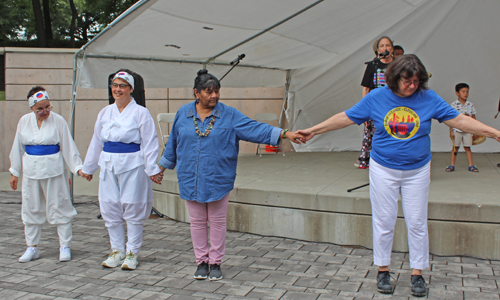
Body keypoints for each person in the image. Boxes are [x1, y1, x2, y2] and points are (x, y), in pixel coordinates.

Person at [296, 55, 500, 297]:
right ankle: (383, 269)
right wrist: (312, 130)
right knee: (384, 220)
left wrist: (495, 133)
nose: (412, 86)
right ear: (394, 78)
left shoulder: (428, 98)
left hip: (418, 170)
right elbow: (345, 117)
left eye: (416, 81)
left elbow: (459, 120)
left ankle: (417, 274)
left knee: (417, 222)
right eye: (407, 81)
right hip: (384, 169)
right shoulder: (377, 97)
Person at [158, 69, 303, 281]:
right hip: (191, 176)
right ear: (196, 93)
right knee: (197, 222)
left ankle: (215, 263)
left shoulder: (229, 114)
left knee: (217, 222)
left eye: (217, 91)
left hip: (218, 177)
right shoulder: (183, 113)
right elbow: (173, 143)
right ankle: (201, 262)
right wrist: (161, 168)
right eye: (209, 92)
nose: (214, 96)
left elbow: (254, 128)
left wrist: (284, 133)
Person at [79, 69, 163, 270]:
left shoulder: (141, 112)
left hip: (133, 163)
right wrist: (88, 167)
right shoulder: (105, 112)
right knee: (109, 206)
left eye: (122, 86)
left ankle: (132, 252)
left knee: (132, 205)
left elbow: (150, 142)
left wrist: (152, 169)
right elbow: (97, 141)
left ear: (131, 89)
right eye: (115, 85)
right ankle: (117, 250)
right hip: (108, 163)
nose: (118, 89)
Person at [9, 87, 83, 263]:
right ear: (32, 108)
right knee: (30, 207)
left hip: (54, 171)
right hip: (31, 171)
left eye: (48, 107)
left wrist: (78, 167)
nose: (45, 112)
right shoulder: (24, 121)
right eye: (40, 109)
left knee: (60, 206)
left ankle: (64, 245)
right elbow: (17, 148)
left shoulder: (58, 121)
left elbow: (67, 145)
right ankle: (31, 247)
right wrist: (14, 172)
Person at [355, 36, 395, 169]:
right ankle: (370, 161)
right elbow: (365, 87)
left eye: (388, 45)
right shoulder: (373, 65)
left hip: (393, 105)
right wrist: (364, 109)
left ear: (392, 48)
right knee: (372, 132)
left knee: (393, 133)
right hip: (375, 106)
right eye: (382, 46)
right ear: (378, 50)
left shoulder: (398, 64)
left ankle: (391, 160)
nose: (385, 48)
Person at [446, 83, 478, 172]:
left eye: (467, 91)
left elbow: (474, 119)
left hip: (467, 130)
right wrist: (451, 131)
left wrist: (475, 132)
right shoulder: (453, 105)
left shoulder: (470, 105)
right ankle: (452, 165)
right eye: (463, 91)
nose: (466, 93)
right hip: (456, 130)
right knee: (455, 147)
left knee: (467, 148)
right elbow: (450, 119)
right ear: (457, 93)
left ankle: (471, 165)